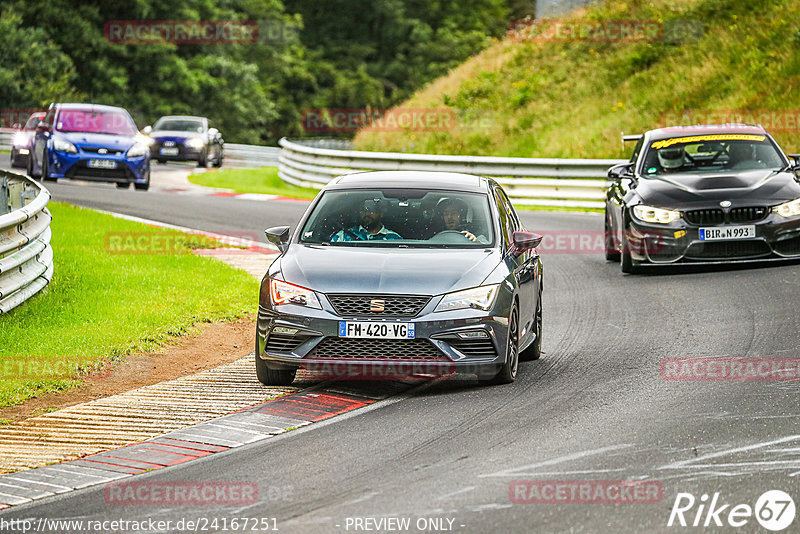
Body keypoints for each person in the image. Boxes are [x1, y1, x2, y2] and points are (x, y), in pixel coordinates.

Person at [331, 199, 402, 241]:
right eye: (363, 210)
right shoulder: (344, 235)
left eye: (371, 210)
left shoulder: (394, 238)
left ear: (381, 214)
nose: (366, 214)